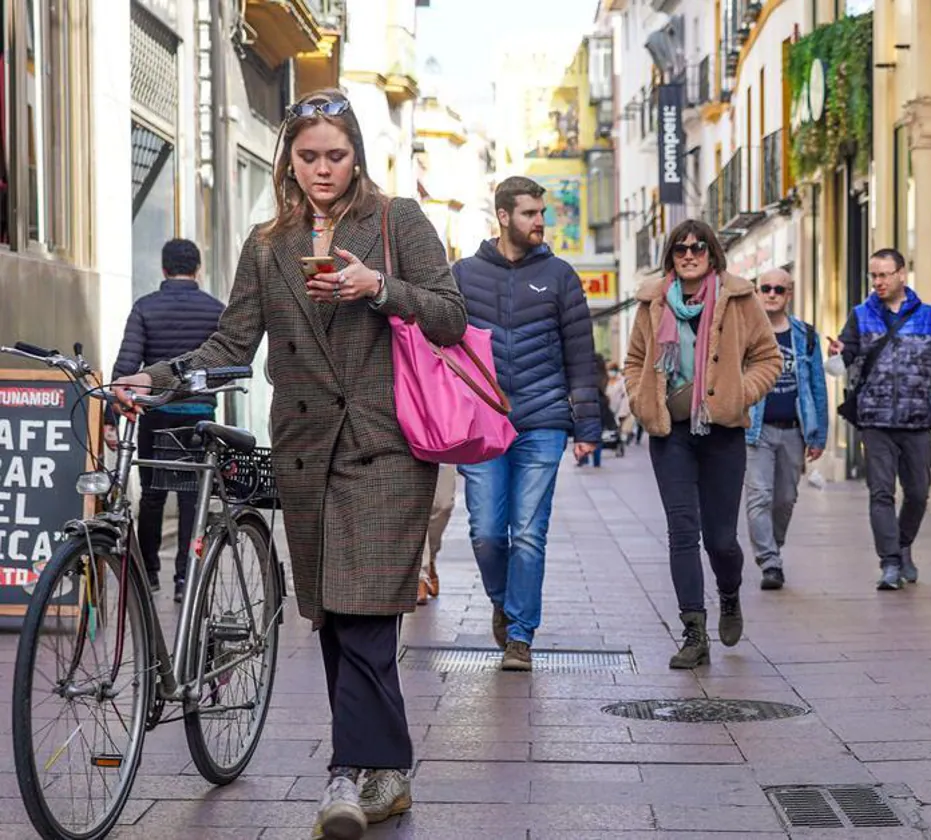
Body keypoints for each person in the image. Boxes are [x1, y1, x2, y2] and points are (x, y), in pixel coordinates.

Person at [113, 89, 467, 838]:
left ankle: (345, 773)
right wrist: (157, 377)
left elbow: (450, 314)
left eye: (335, 155)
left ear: (357, 154)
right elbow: (230, 345)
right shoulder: (268, 243)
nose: (321, 170)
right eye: (307, 157)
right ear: (289, 160)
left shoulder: (397, 221)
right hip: (306, 452)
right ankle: (390, 771)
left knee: (366, 611)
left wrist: (380, 288)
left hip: (386, 447)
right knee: (335, 618)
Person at [453, 176, 600, 672]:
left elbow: (581, 354)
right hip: (482, 421)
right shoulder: (463, 275)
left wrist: (588, 429)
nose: (540, 222)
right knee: (487, 533)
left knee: (530, 533)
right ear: (502, 216)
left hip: (543, 422)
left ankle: (519, 635)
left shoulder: (560, 275)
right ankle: (502, 599)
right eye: (530, 213)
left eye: (542, 213)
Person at [624, 219, 782, 669]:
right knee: (681, 531)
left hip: (722, 433)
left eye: (697, 248)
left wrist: (738, 394)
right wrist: (640, 399)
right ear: (670, 256)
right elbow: (636, 360)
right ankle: (694, 632)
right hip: (669, 432)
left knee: (721, 540)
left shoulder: (739, 297)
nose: (689, 255)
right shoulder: (653, 301)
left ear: (712, 253)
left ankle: (729, 594)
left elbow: (768, 358)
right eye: (680, 249)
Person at [828, 248, 931, 590]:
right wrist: (838, 353)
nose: (878, 282)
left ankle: (902, 545)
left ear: (902, 274)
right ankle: (889, 562)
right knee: (881, 493)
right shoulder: (860, 315)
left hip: (917, 420)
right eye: (874, 275)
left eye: (885, 274)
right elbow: (847, 357)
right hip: (875, 420)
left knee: (918, 493)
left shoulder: (929, 316)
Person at [106, 239, 224, 602]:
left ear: (163, 269)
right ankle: (184, 579)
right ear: (198, 269)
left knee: (153, 495)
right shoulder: (215, 310)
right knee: (192, 497)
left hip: (156, 415)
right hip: (198, 416)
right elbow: (222, 367)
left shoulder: (145, 308)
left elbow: (126, 368)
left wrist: (111, 419)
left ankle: (150, 575)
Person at [744, 268, 828, 591]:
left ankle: (773, 547)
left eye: (779, 289)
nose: (772, 294)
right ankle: (769, 561)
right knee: (759, 496)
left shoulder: (805, 335)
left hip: (794, 429)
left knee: (786, 498)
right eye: (765, 288)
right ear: (756, 291)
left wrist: (818, 435)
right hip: (756, 429)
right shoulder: (745, 334)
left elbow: (818, 386)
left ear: (788, 294)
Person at [417, 464, 455, 605]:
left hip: (443, 446)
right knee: (414, 506)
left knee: (443, 505)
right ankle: (420, 575)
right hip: (404, 444)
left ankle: (430, 556)